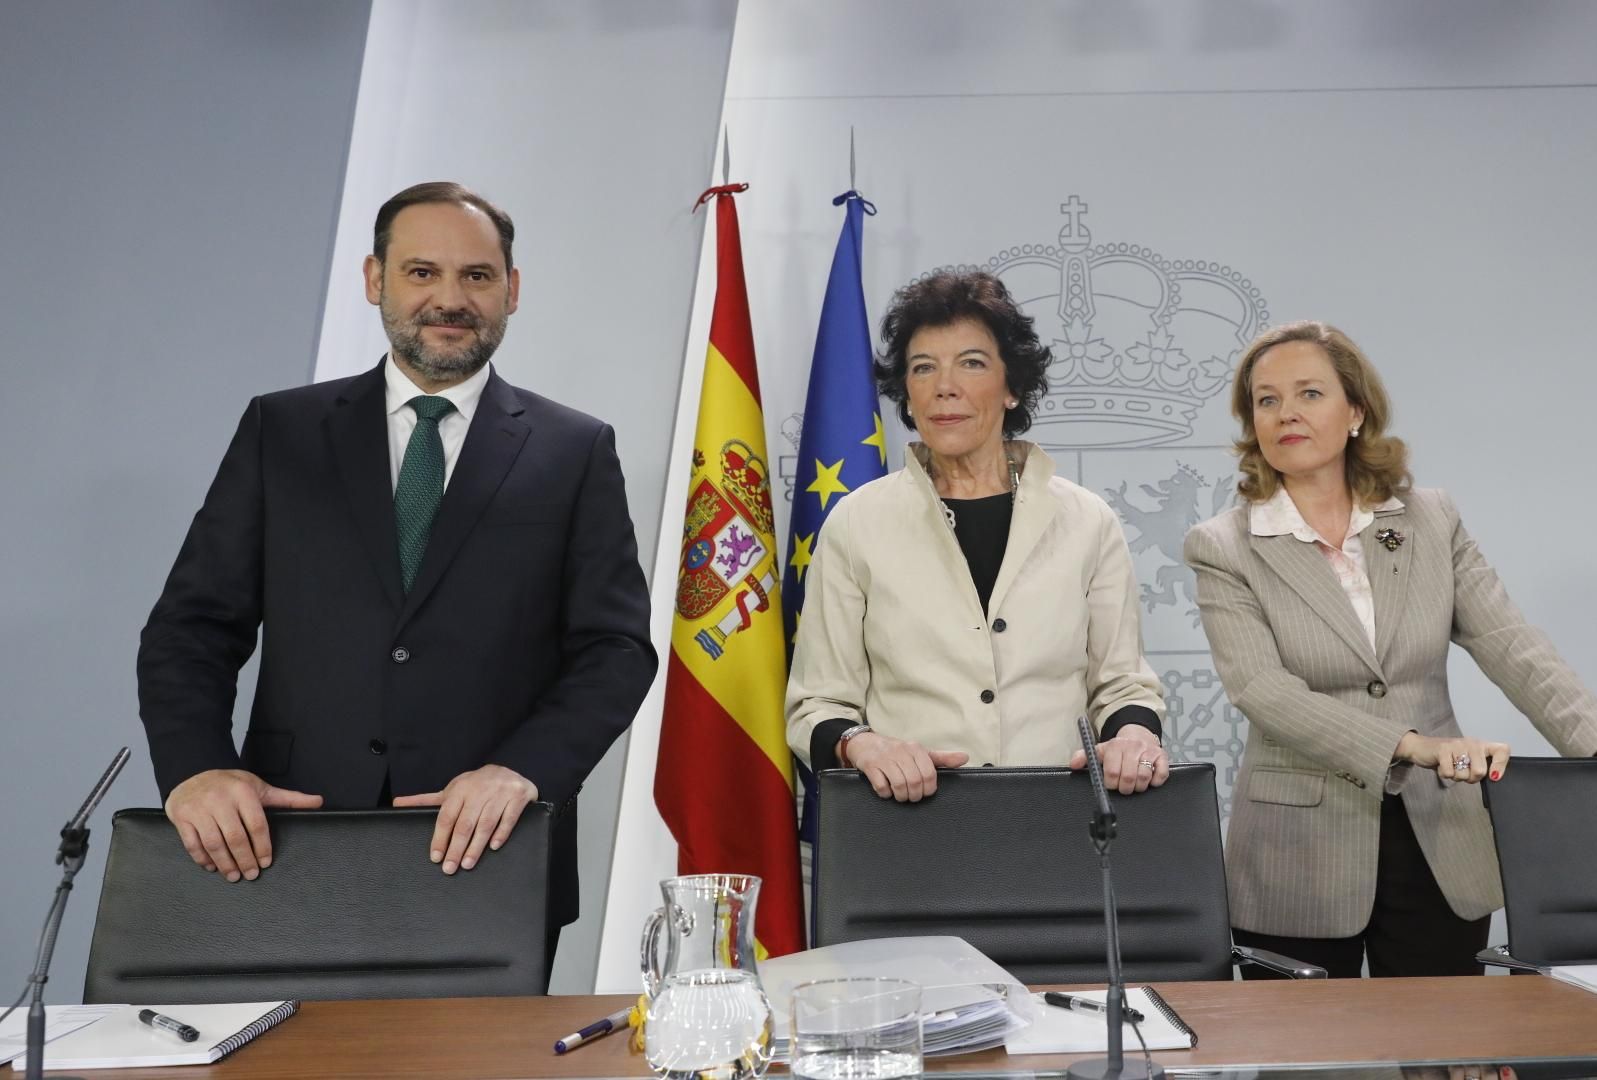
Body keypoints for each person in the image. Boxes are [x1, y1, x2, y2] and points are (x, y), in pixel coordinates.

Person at [137, 181, 656, 968]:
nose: (450, 298)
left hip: (491, 852)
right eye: (422, 272)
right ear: (375, 280)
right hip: (286, 840)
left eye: (477, 276)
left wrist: (523, 772)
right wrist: (198, 768)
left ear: (511, 291)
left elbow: (616, 649)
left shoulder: (574, 449)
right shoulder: (283, 431)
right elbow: (191, 627)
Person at [1183, 320, 1597, 979]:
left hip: (1440, 836)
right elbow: (1262, 690)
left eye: (1309, 393)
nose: (1285, 414)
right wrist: (1408, 746)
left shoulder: (1430, 517)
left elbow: (1508, 641)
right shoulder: (1222, 544)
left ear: (1356, 410)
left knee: (1452, 1055)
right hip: (1295, 853)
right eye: (1266, 400)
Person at [785, 270, 1165, 802]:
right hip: (909, 826)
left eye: (972, 362)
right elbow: (817, 705)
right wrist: (863, 746)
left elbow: (1122, 685)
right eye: (923, 368)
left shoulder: (1087, 520)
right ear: (908, 395)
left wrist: (1134, 735)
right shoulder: (856, 522)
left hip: (1062, 821)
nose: (945, 385)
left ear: (1011, 387)